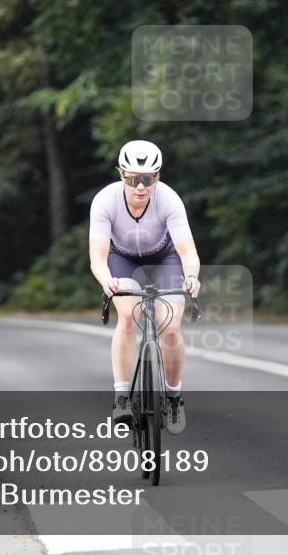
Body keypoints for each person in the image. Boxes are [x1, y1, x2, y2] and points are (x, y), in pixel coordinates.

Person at [88, 140, 200, 435]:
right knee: (127, 317)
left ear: (158, 177)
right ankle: (122, 397)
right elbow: (97, 256)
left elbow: (187, 251)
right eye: (132, 178)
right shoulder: (104, 201)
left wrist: (191, 277)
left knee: (171, 327)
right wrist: (106, 281)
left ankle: (174, 397)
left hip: (165, 258)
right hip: (122, 259)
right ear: (121, 174)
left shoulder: (169, 199)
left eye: (148, 179)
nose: (140, 186)